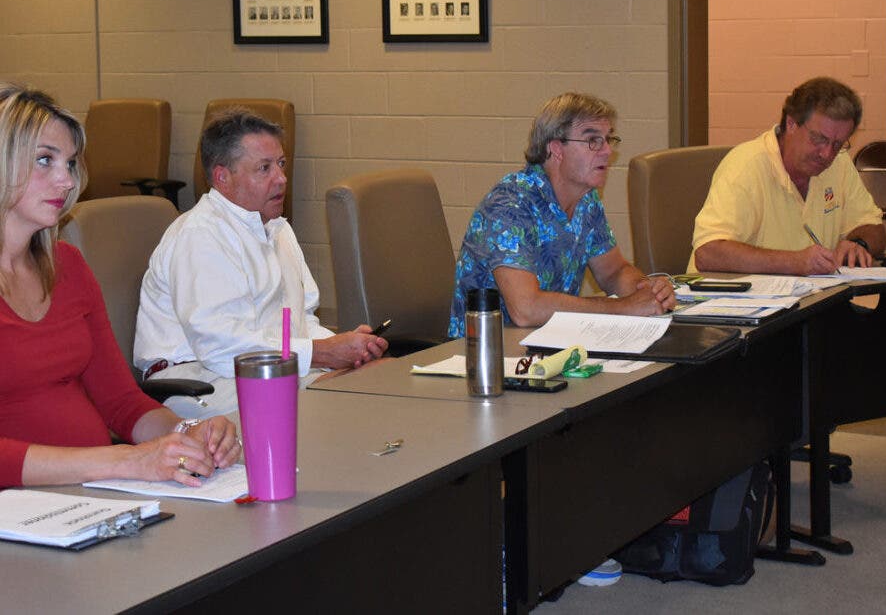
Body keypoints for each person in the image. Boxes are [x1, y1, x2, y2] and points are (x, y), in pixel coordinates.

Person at [0, 83, 241, 489]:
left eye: (70, 163)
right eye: (45, 160)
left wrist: (188, 434)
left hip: (97, 492)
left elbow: (121, 402)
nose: (66, 180)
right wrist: (123, 461)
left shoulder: (68, 266)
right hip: (23, 507)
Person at [134, 108, 387, 417]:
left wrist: (348, 347)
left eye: (281, 164)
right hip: (197, 381)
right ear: (222, 177)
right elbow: (220, 347)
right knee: (343, 398)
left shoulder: (277, 229)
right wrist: (324, 353)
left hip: (265, 370)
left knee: (375, 377)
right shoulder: (200, 235)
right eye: (264, 168)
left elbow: (301, 322)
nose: (281, 178)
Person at [448, 92, 676, 337]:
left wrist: (646, 290)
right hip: (487, 351)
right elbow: (526, 309)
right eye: (593, 140)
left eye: (608, 139)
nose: (607, 151)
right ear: (556, 148)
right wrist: (623, 307)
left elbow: (614, 272)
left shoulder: (586, 200)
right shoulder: (509, 205)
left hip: (548, 343)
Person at [690, 77, 885, 275]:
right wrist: (795, 262)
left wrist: (858, 244)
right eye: (819, 139)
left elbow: (874, 228)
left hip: (812, 292)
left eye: (837, 144)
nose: (827, 154)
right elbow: (708, 253)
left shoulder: (839, 163)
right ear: (791, 123)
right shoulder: (745, 166)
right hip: (729, 293)